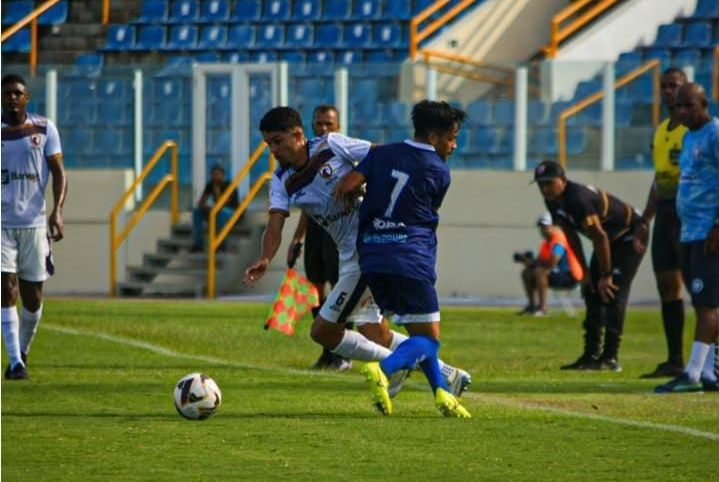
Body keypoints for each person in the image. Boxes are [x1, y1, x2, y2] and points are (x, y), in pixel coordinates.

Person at [243, 106, 471, 397]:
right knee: (376, 332)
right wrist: (265, 257)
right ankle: (445, 373)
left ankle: (397, 367)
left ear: (298, 135)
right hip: (350, 255)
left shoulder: (332, 144)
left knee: (323, 332)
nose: (273, 149)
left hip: (370, 248)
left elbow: (381, 156)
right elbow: (274, 226)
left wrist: (360, 181)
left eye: (277, 141)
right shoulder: (281, 180)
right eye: (268, 144)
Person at [335, 100, 471, 418]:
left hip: (372, 256)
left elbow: (347, 186)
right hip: (410, 257)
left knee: (417, 336)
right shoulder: (439, 170)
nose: (454, 145)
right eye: (452, 137)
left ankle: (442, 394)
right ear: (434, 136)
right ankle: (384, 370)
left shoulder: (381, 153)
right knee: (428, 340)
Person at [533, 160, 644, 372]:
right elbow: (572, 236)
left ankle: (610, 357)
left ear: (563, 181)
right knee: (591, 290)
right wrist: (585, 274)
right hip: (607, 242)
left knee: (612, 292)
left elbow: (599, 237)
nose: (544, 188)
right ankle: (590, 355)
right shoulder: (553, 201)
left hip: (630, 236)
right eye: (540, 184)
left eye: (548, 182)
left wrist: (607, 274)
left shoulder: (577, 199)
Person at [1, 74, 67, 380]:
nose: (12, 98)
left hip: (35, 224)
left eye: (18, 93)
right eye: (7, 94)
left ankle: (22, 352)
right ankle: (15, 362)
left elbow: (59, 172)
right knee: (6, 289)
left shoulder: (44, 128)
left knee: (33, 298)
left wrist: (58, 211)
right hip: (2, 224)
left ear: (27, 97)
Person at [655, 83, 719, 393]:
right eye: (678, 106)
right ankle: (709, 373)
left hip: (709, 232)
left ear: (704, 104)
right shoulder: (689, 136)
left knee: (706, 303)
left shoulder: (715, 134)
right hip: (690, 229)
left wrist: (717, 223)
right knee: (703, 301)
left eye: (688, 105)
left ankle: (692, 373)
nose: (682, 111)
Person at [633, 68, 689, 379]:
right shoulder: (661, 131)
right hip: (665, 213)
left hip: (688, 213)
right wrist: (646, 219)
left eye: (675, 86)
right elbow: (659, 179)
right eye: (665, 87)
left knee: (701, 287)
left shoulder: (695, 131)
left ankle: (707, 362)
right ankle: (675, 359)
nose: (669, 92)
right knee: (668, 285)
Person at [286, 105, 350, 371]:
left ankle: (344, 354)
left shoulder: (343, 154)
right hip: (315, 232)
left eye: (329, 124)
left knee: (340, 291)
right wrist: (297, 238)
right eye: (319, 124)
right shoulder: (309, 156)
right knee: (314, 290)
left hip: (338, 233)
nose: (323, 129)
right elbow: (308, 206)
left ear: (338, 126)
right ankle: (328, 350)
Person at [515, 212, 583, 316]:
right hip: (556, 274)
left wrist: (537, 263)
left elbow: (553, 262)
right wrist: (527, 261)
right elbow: (539, 262)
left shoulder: (559, 239)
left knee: (539, 272)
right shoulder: (545, 244)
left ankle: (543, 308)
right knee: (527, 273)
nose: (543, 230)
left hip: (570, 276)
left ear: (553, 226)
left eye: (546, 227)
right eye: (541, 227)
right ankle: (532, 306)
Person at [191, 164, 238, 252]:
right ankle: (198, 245)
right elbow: (201, 202)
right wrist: (206, 207)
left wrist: (216, 192)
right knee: (197, 212)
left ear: (222, 175)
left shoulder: (229, 185)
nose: (215, 177)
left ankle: (220, 245)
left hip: (231, 211)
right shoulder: (210, 185)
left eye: (217, 174)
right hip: (216, 210)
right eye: (213, 174)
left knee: (222, 213)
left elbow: (225, 203)